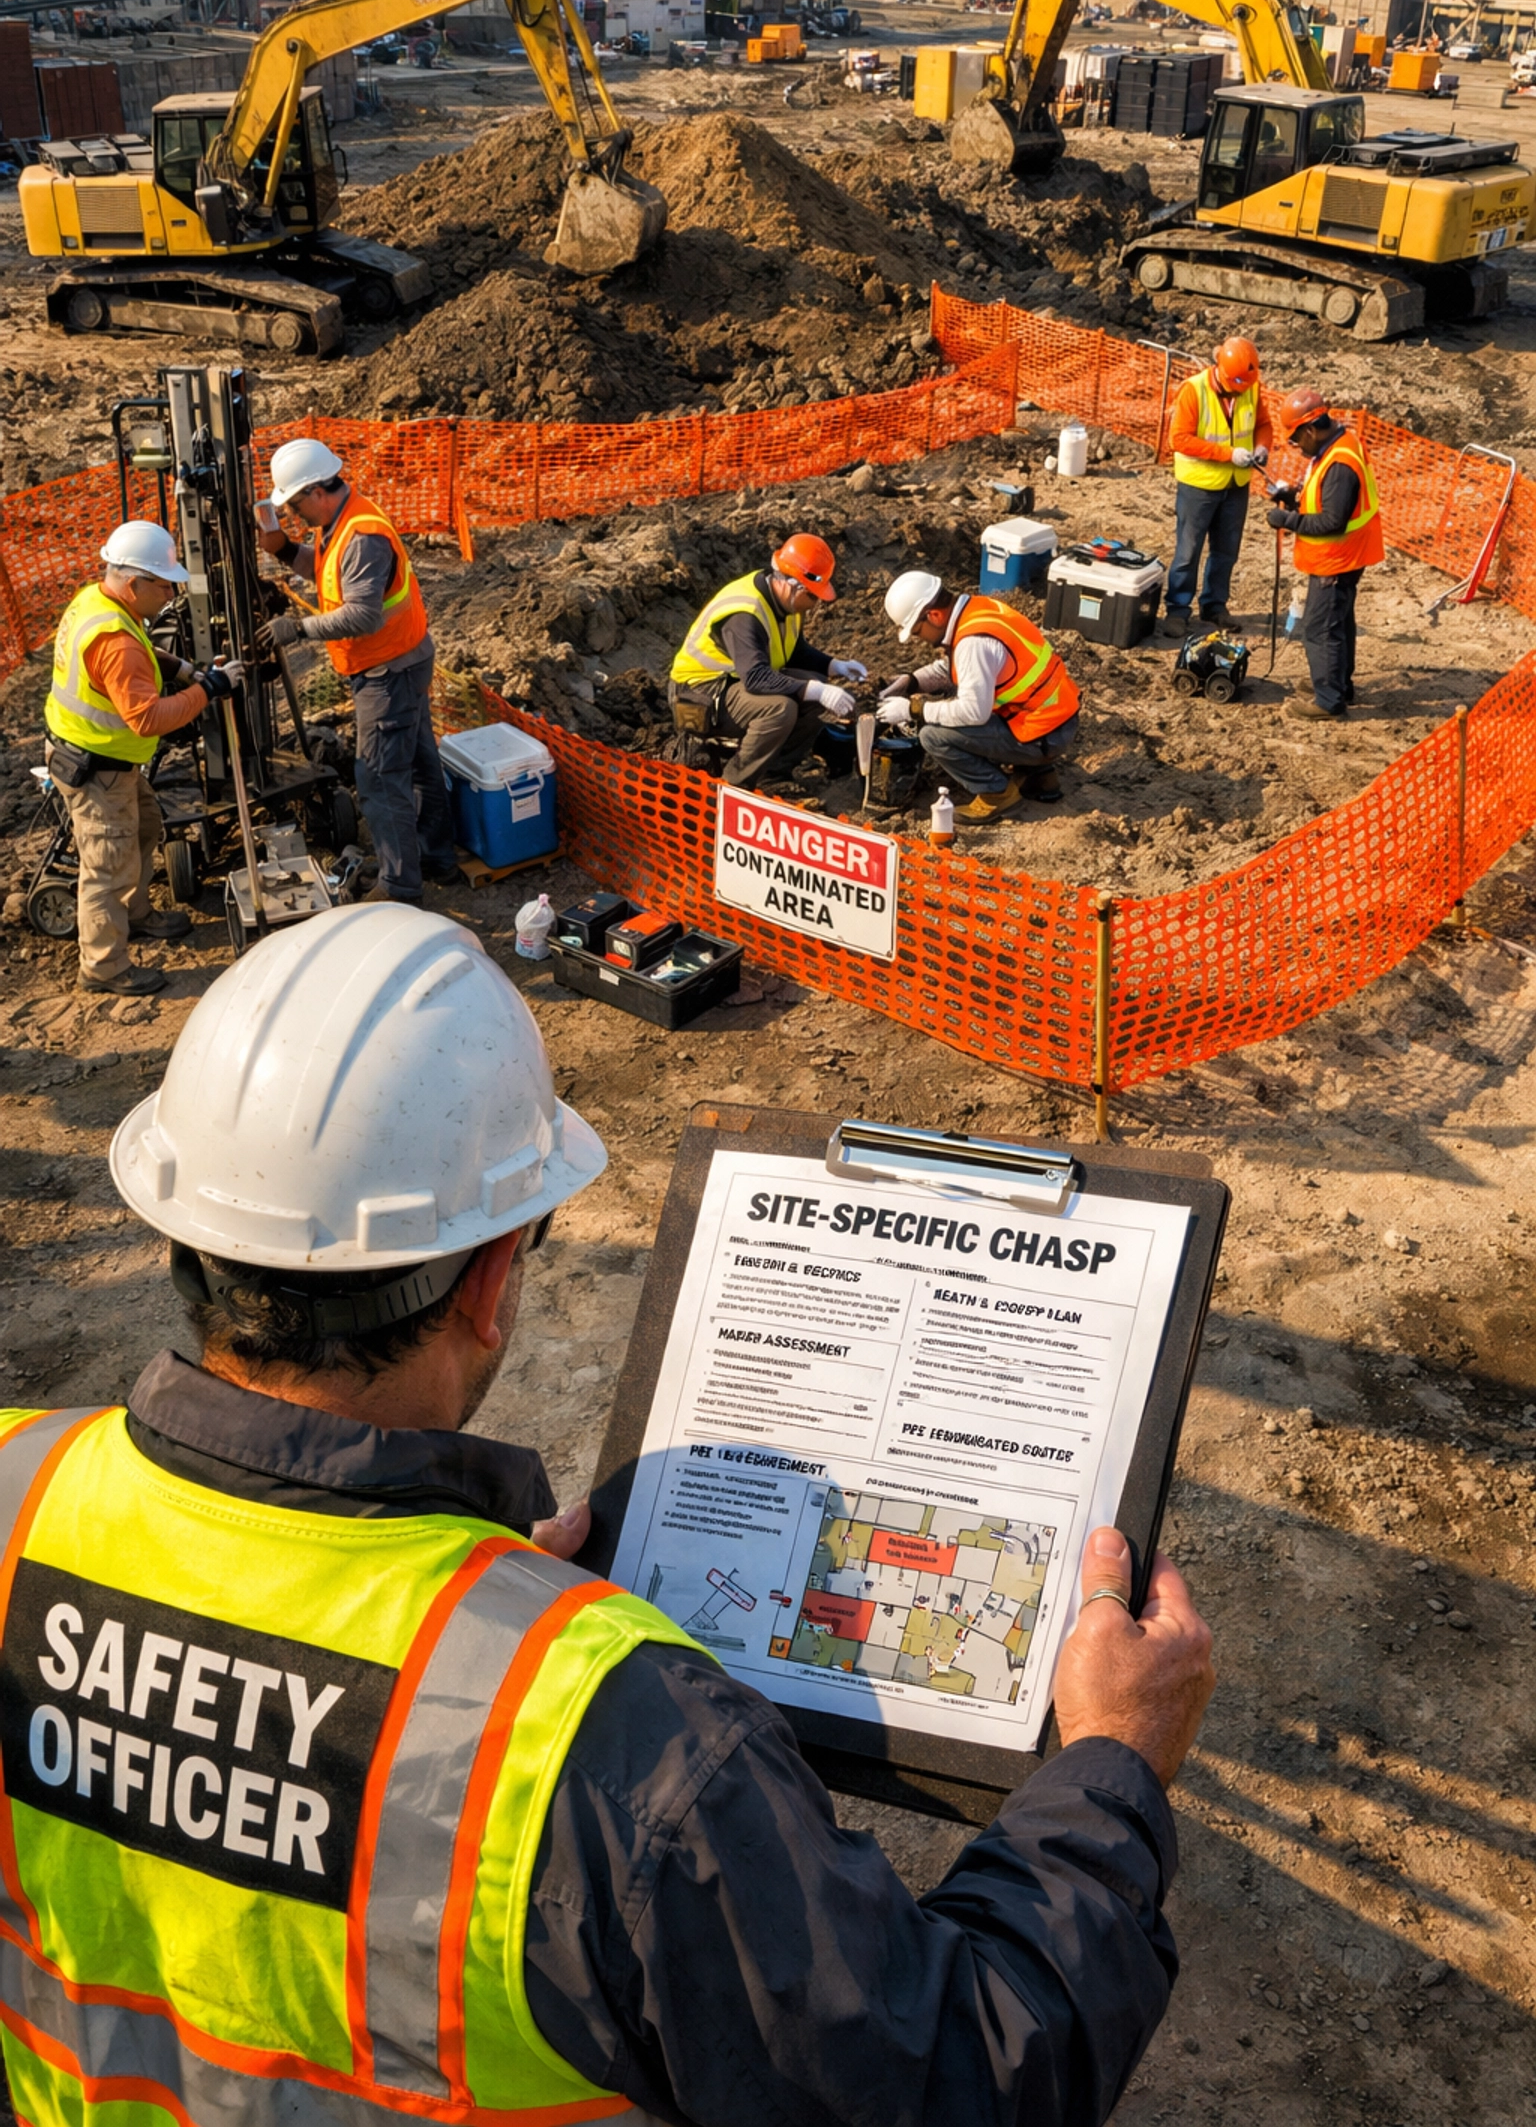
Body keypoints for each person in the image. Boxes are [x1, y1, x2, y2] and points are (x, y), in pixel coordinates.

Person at [0, 904, 1214, 2127]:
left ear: (185, 1239)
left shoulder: (18, 1485)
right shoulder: (619, 1740)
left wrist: (477, 1604)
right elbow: (966, 2077)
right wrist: (1109, 1765)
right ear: (490, 1282)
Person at [42, 521, 245, 997]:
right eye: (164, 584)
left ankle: (134, 914)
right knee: (106, 870)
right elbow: (148, 718)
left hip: (106, 759)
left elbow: (142, 649)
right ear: (134, 583)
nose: (171, 593)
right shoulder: (114, 642)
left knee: (146, 826)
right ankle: (104, 967)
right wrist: (210, 689)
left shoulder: (100, 602)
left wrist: (185, 670)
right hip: (97, 768)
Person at [256, 437, 456, 903]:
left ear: (316, 492)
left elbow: (363, 615)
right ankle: (434, 857)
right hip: (402, 660)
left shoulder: (362, 536)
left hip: (388, 671)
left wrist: (298, 628)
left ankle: (400, 887)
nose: (294, 515)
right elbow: (328, 570)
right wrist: (284, 549)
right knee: (418, 763)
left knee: (380, 777)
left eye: (295, 506)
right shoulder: (343, 521)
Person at [878, 567, 1081, 824]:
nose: (919, 638)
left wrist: (913, 710)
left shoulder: (972, 643)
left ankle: (996, 794)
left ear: (934, 615)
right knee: (960, 707)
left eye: (917, 631)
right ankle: (1039, 776)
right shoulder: (978, 610)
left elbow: (973, 712)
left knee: (933, 736)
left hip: (1043, 734)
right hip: (1053, 719)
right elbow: (956, 668)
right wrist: (913, 682)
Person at [669, 533, 866, 793]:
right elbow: (756, 678)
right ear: (793, 585)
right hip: (697, 695)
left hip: (731, 685)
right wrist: (816, 690)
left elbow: (793, 650)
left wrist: (833, 666)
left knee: (815, 689)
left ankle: (772, 774)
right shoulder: (746, 613)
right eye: (813, 596)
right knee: (780, 709)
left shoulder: (785, 603)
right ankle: (734, 785)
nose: (815, 603)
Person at [1266, 387, 1384, 722]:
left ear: (1310, 430)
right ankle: (1338, 683)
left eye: (1295, 439)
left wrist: (1287, 520)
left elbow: (1333, 521)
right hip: (1347, 554)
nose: (1296, 446)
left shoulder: (1340, 464)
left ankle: (1329, 699)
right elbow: (1326, 499)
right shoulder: (1338, 444)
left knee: (1319, 629)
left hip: (1337, 558)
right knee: (1339, 621)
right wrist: (1295, 497)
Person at [1164, 335, 1273, 636]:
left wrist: (1262, 447)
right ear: (1222, 371)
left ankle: (1214, 605)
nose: (1242, 390)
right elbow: (1179, 439)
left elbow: (1263, 424)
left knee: (1226, 551)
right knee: (1188, 551)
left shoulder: (1250, 387)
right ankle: (1177, 610)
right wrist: (1228, 454)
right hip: (1198, 486)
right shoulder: (1194, 390)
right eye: (1237, 384)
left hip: (1236, 485)